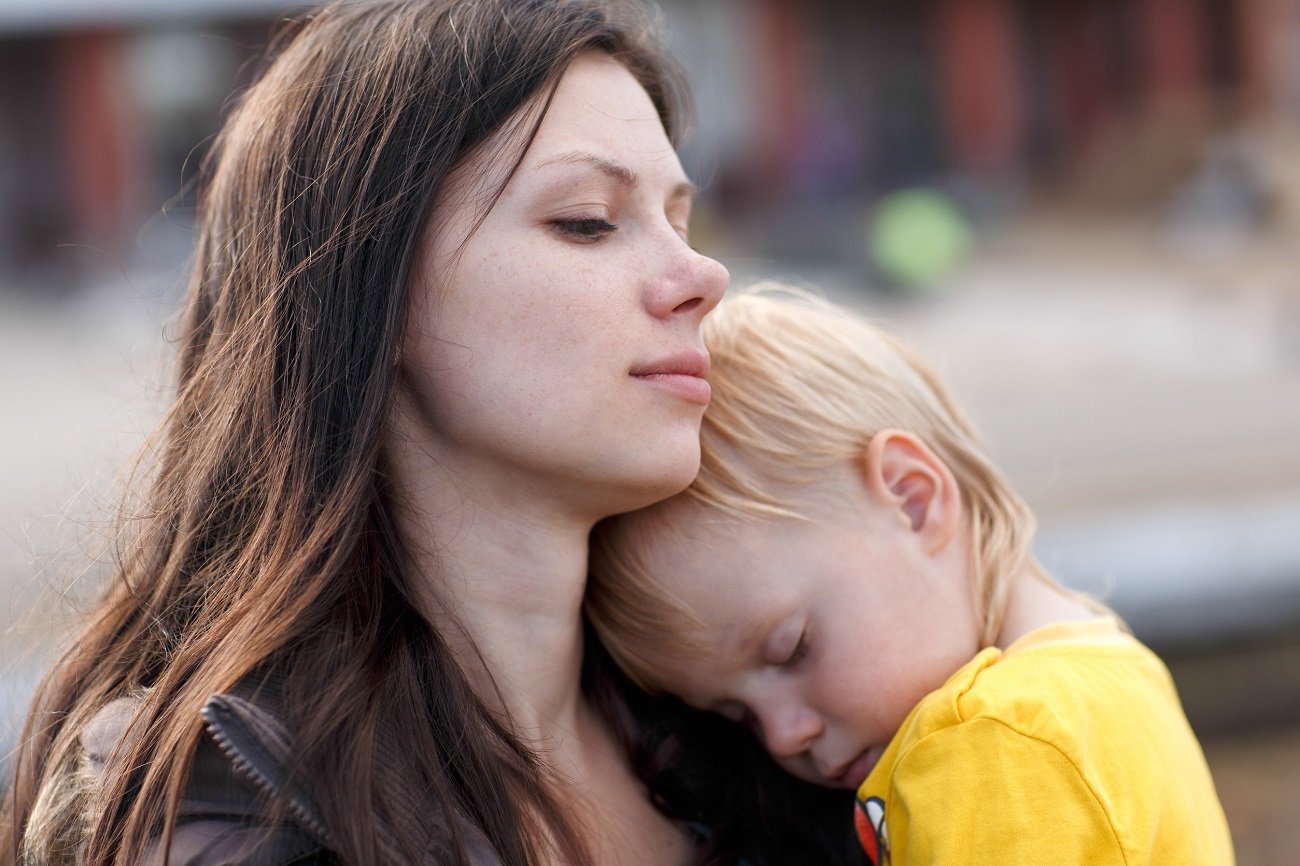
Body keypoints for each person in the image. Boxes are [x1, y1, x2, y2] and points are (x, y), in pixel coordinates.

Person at [0, 3, 859, 864]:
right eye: (589, 221)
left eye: (679, 220)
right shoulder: (224, 807)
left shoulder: (771, 720)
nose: (703, 274)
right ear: (373, 289)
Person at [587, 286, 1235, 865]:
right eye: (740, 715)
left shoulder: (996, 743)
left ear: (912, 497)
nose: (786, 736)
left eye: (792, 650)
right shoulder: (1108, 677)